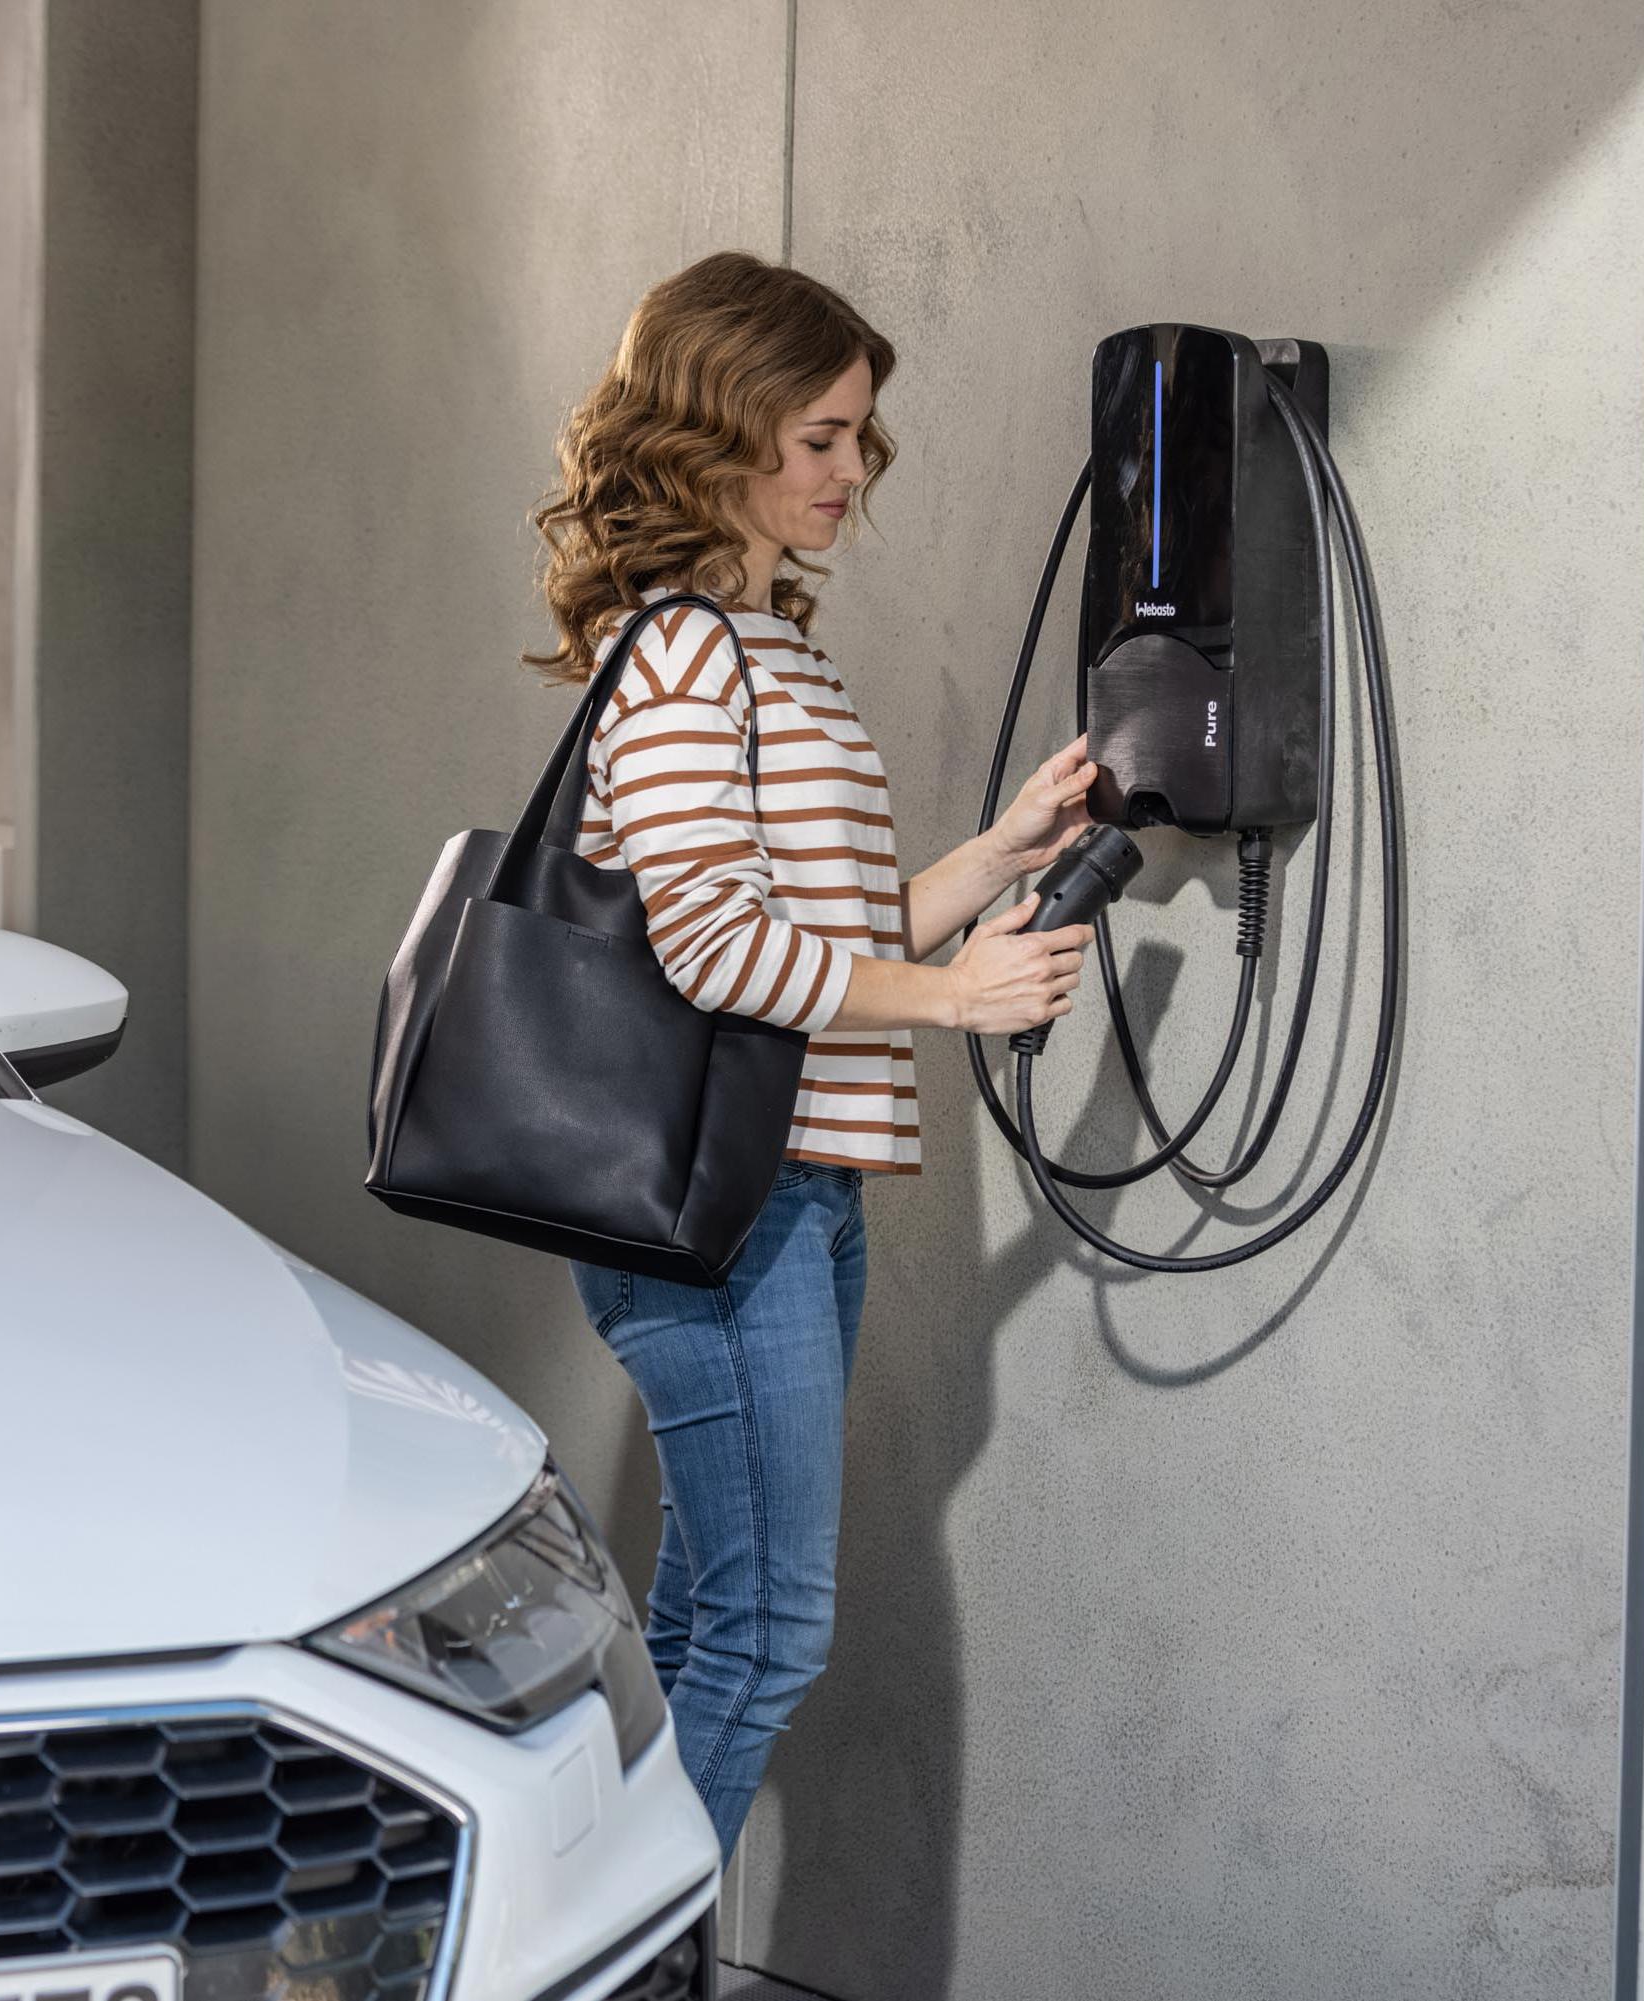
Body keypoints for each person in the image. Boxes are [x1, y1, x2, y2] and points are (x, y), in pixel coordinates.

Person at [528, 250, 1096, 1862]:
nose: (854, 472)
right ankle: (604, 1968)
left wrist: (995, 856)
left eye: (860, 439)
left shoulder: (759, 645)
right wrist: (958, 1001)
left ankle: (599, 1948)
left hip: (790, 1192)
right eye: (823, 437)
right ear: (721, 429)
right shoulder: (689, 656)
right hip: (726, 1210)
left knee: (710, 1628)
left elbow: (817, 929)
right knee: (766, 1633)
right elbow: (711, 954)